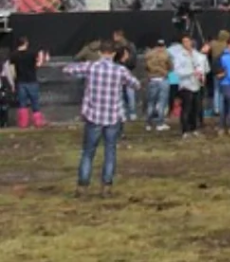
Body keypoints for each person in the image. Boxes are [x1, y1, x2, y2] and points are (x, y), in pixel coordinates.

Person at [63, 39, 141, 196]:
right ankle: (106, 187)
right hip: (113, 116)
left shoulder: (91, 67)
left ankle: (82, 186)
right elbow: (136, 84)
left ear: (99, 53)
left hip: (94, 115)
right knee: (110, 152)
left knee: (88, 152)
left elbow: (67, 69)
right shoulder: (120, 71)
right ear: (113, 54)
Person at [173, 35, 208, 138]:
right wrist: (191, 73)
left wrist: (201, 75)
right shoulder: (179, 56)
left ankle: (194, 128)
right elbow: (177, 72)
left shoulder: (197, 55)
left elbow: (202, 67)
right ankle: (185, 130)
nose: (186, 43)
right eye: (184, 42)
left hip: (196, 84)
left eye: (188, 41)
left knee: (196, 108)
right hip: (185, 85)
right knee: (186, 109)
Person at [10, 36, 48, 129]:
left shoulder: (13, 55)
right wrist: (43, 58)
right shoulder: (32, 53)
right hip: (32, 81)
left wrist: (13, 82)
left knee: (22, 104)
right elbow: (38, 64)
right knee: (35, 102)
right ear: (26, 43)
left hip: (20, 82)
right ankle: (38, 122)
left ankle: (23, 123)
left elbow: (12, 70)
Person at [143, 39, 173, 131]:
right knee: (162, 103)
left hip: (152, 79)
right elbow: (171, 67)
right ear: (163, 45)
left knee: (151, 102)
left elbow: (145, 67)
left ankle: (148, 123)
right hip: (163, 79)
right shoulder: (166, 54)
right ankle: (160, 123)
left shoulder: (148, 55)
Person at [112, 30, 138, 123]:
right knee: (130, 92)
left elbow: (115, 60)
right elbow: (134, 59)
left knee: (121, 93)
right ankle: (132, 113)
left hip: (121, 70)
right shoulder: (131, 45)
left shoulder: (117, 47)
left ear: (117, 36)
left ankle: (124, 113)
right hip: (129, 70)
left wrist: (122, 62)